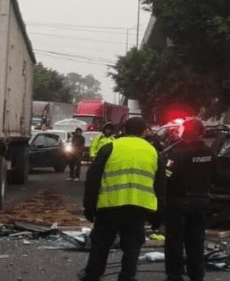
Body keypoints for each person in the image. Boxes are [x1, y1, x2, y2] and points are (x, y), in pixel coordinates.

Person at [80, 117, 165, 281]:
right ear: (144, 131)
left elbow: (93, 180)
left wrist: (89, 206)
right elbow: (161, 186)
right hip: (139, 207)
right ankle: (127, 277)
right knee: (132, 246)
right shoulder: (153, 152)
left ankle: (92, 276)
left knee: (101, 244)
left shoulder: (109, 148)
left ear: (124, 130)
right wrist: (158, 214)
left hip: (110, 205)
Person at [161, 117, 216, 281]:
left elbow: (167, 175)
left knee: (174, 241)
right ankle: (197, 274)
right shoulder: (210, 153)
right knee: (196, 241)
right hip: (201, 202)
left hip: (178, 202)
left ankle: (175, 275)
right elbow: (217, 175)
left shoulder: (177, 153)